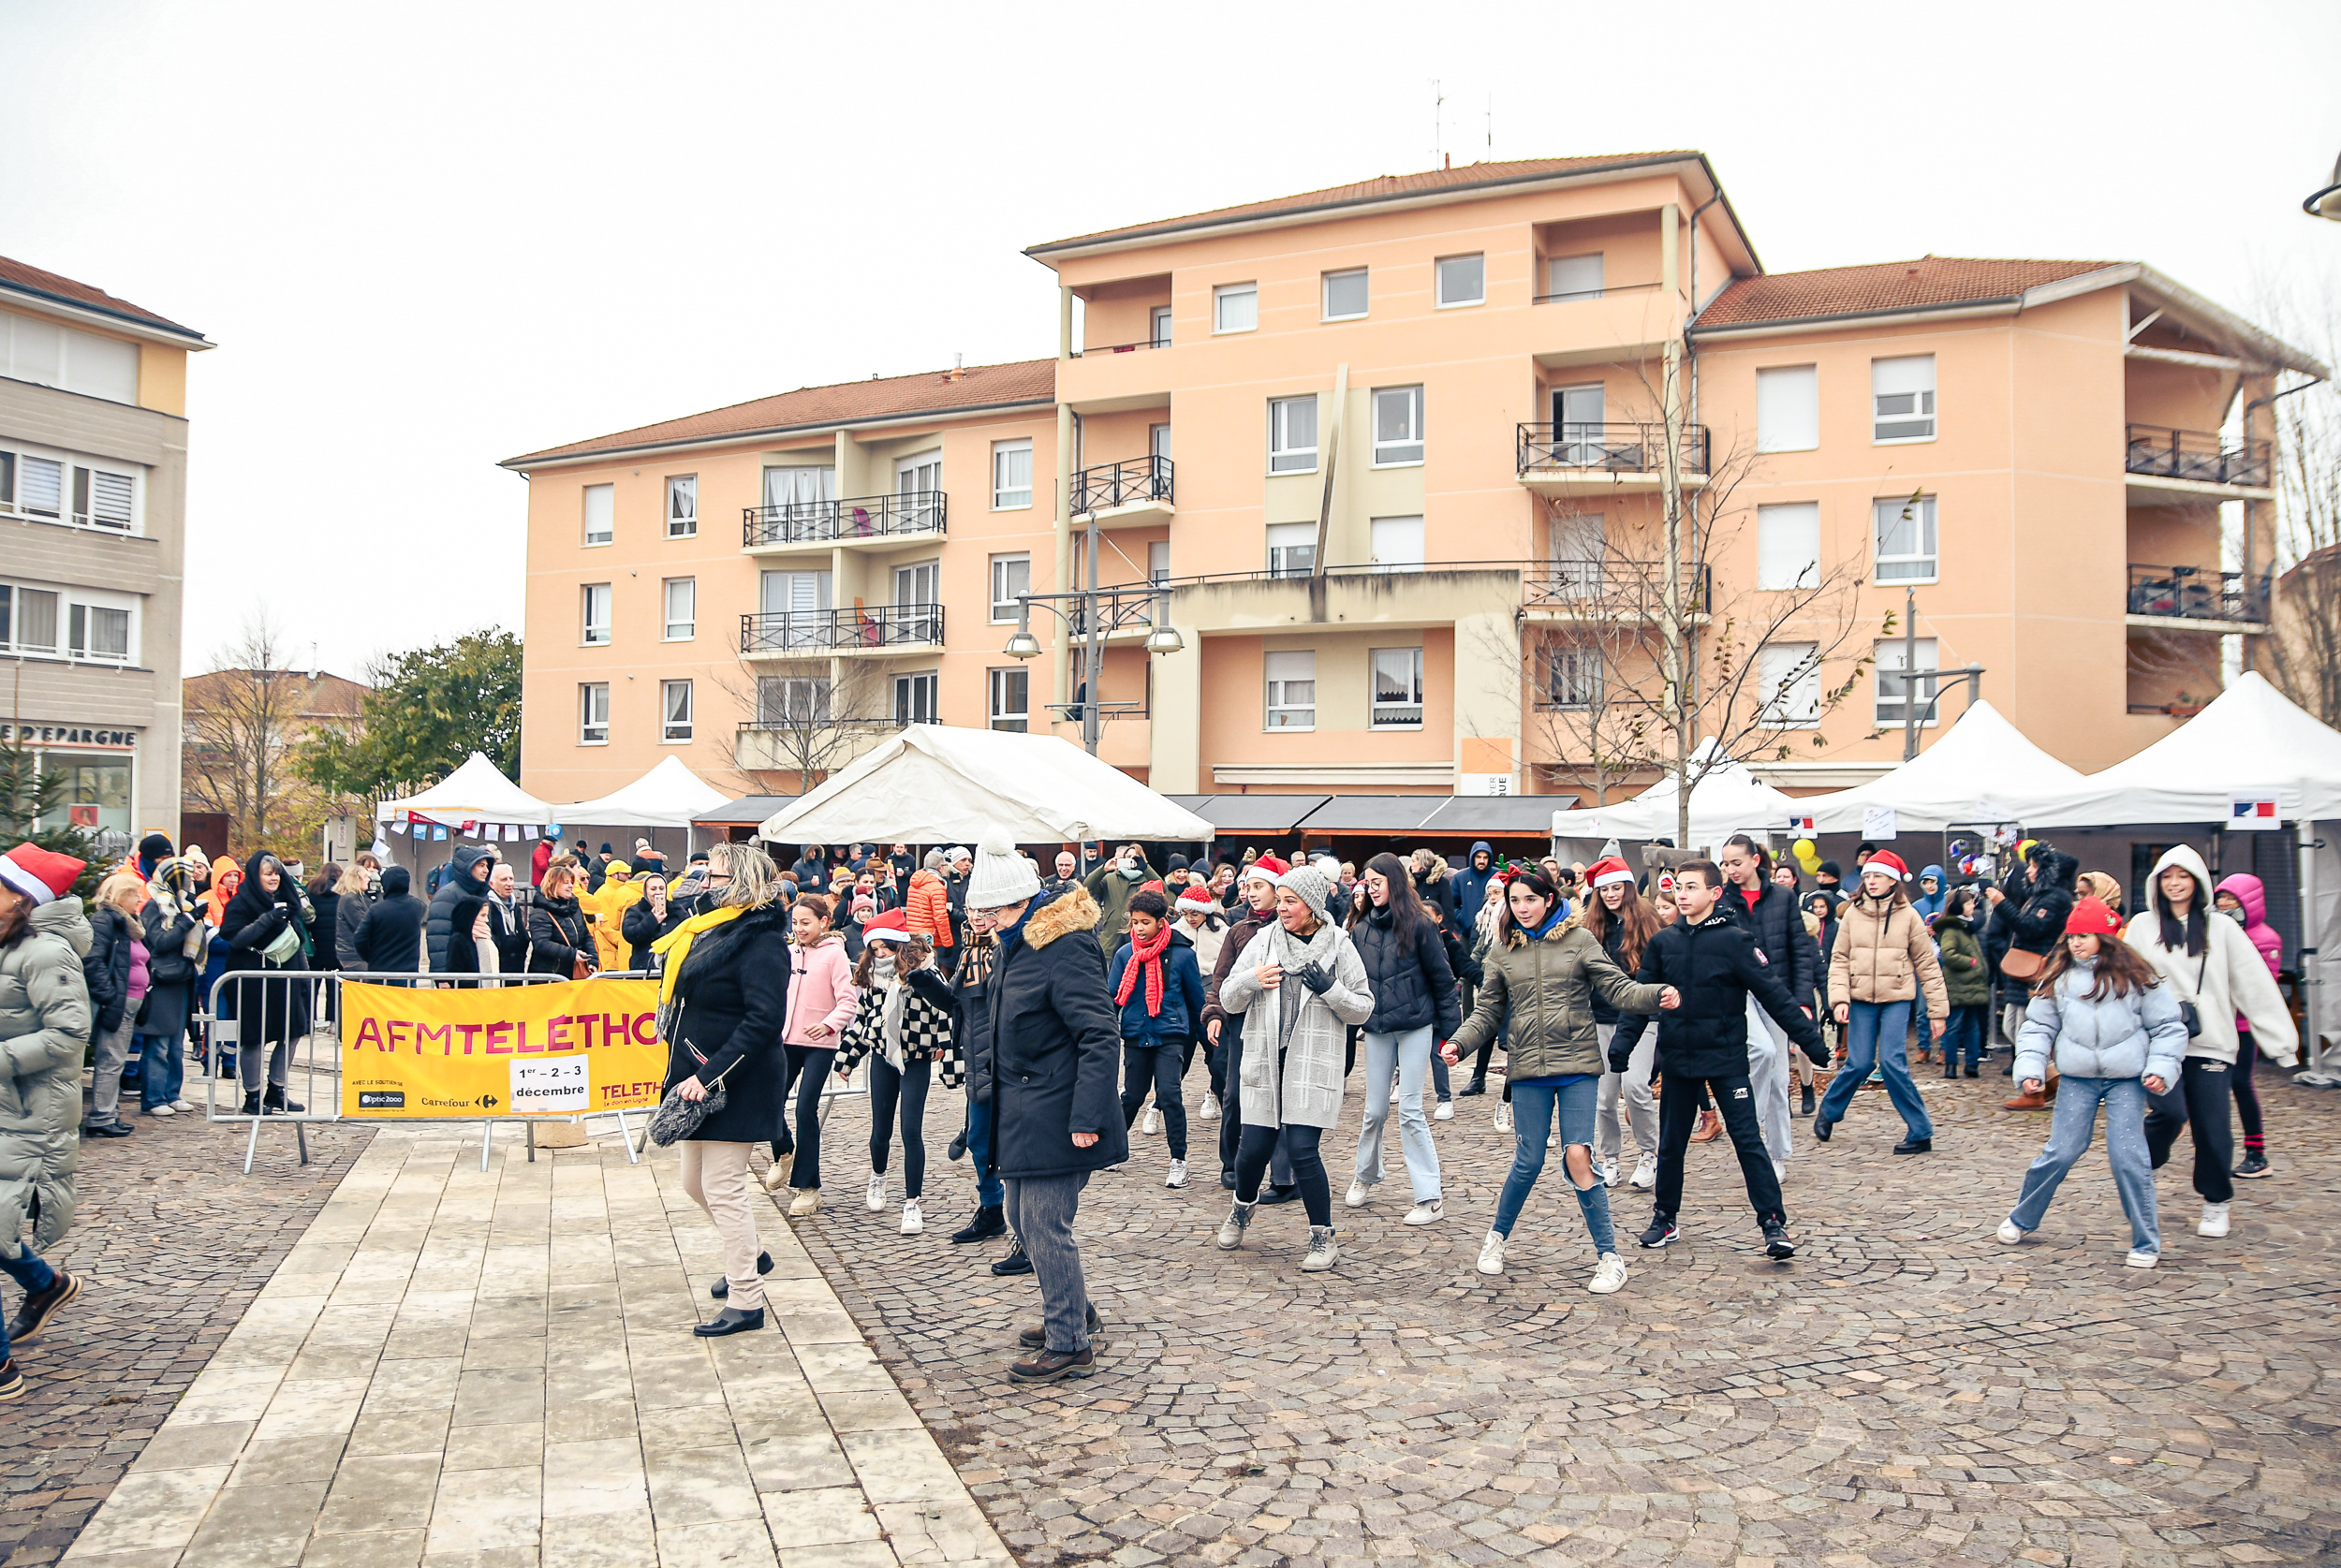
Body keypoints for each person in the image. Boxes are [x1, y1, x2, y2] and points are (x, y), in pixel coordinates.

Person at [1446, 866, 1674, 1287]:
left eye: (1530, 899)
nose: (1522, 908)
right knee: (1528, 1161)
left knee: (1578, 1156)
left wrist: (1656, 994)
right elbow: (1487, 1011)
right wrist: (1460, 1044)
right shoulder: (1503, 951)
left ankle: (1610, 1258)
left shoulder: (1579, 940)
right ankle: (1496, 1238)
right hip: (1529, 1068)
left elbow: (1619, 988)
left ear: (1548, 899)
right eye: (1515, 901)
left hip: (1577, 1068)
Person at [963, 830, 1123, 1383]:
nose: (978, 920)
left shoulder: (1062, 945)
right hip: (1023, 1111)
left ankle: (1070, 1342)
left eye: (985, 910)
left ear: (1014, 904)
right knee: (1019, 1221)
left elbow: (1100, 1036)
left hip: (1060, 1110)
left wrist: (1087, 1118)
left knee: (1045, 1224)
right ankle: (1073, 1308)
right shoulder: (1015, 943)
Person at [1608, 860, 1829, 1259]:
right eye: (1679, 887)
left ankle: (1772, 1224)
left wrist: (1811, 1044)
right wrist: (1622, 1048)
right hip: (1679, 1060)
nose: (1683, 895)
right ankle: (1665, 1217)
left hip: (1727, 1060)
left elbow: (1774, 995)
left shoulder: (1735, 941)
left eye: (1692, 887)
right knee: (1671, 1145)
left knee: (1748, 1141)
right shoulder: (1664, 943)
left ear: (1714, 893)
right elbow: (1640, 999)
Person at [650, 843, 792, 1337]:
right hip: (695, 1076)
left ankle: (746, 1298)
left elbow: (763, 1021)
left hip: (737, 1080)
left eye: (712, 876)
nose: (702, 882)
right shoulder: (710, 929)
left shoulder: (762, 941)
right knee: (694, 1182)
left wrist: (710, 1073)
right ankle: (751, 1253)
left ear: (741, 883)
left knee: (723, 1186)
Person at [1998, 898, 2185, 1268]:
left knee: (2128, 1156)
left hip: (2126, 1080)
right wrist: (2032, 1068)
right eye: (2071, 937)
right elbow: (2038, 1027)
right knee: (2061, 1151)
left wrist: (2161, 1069)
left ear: (2105, 936)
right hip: (2077, 1079)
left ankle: (2146, 1242)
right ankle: (2022, 1217)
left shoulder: (2138, 977)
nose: (2076, 943)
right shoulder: (2059, 978)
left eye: (2084, 935)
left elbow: (2167, 1027)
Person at [2124, 847, 2296, 1240]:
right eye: (2167, 876)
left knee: (2213, 1127)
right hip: (2158, 1043)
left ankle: (2216, 1200)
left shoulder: (2222, 929)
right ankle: (2136, 1170)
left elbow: (2254, 986)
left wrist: (2281, 1043)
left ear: (2198, 881)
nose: (2175, 884)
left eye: (2183, 876)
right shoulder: (2142, 926)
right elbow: (2124, 982)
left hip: (2211, 1042)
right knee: (2168, 1114)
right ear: (2156, 882)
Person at [1215, 864, 1375, 1274]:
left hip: (1311, 1064)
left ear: (1313, 905)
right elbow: (1229, 998)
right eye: (1280, 900)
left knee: (1303, 1150)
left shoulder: (1339, 944)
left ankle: (1323, 1236)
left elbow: (1363, 1008)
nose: (1281, 908)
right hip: (1265, 1059)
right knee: (1252, 1152)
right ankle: (1241, 1210)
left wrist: (1330, 989)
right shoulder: (1263, 941)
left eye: (1290, 901)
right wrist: (1252, 979)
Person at [0, 842, 94, 1403]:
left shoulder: (45, 953)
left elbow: (69, 1031)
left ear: (20, 898)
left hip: (30, 1110)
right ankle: (46, 1284)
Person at [1341, 854, 1458, 1224]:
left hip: (1415, 1024)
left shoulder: (1421, 924)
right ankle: (1366, 1175)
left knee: (1410, 1110)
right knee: (1374, 1110)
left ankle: (1429, 1196)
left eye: (1377, 881)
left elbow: (1443, 978)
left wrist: (1450, 1034)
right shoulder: (1360, 928)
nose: (1371, 888)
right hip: (1376, 1026)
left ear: (1394, 881)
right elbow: (1351, 982)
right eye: (1367, 882)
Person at [1817, 851, 1948, 1153]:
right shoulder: (1851, 913)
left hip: (1897, 998)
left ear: (1893, 880)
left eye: (1878, 875)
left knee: (1891, 1062)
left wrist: (1938, 1012)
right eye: (1868, 876)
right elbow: (1838, 959)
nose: (1871, 881)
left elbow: (1927, 964)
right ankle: (1830, 1110)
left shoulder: (1909, 915)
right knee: (1859, 1062)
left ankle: (1920, 1130)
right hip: (1860, 997)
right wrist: (1839, 998)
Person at [837, 912, 954, 1235]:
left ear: (899, 944)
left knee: (911, 1130)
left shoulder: (925, 973)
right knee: (881, 1129)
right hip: (882, 1057)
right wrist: (847, 1058)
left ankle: (912, 1203)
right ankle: (878, 1177)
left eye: (885, 947)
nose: (881, 954)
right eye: (874, 949)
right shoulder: (873, 977)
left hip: (916, 1057)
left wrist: (945, 1050)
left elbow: (945, 1011)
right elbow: (864, 1021)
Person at [1715, 833, 1818, 1177]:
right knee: (1762, 1051)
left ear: (1755, 861)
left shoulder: (1784, 898)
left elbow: (1801, 951)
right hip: (1737, 992)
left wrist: (1803, 1000)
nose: (1731, 870)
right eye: (1726, 863)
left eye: (1736, 863)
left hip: (1777, 991)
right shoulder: (1722, 900)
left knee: (1777, 1079)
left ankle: (1775, 1153)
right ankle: (1747, 1124)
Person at [1200, 857, 1294, 1196]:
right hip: (1242, 1025)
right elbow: (1222, 977)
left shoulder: (1294, 929)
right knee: (1236, 1094)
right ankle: (1232, 1162)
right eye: (1248, 887)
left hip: (1282, 1026)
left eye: (1259, 886)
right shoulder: (1239, 928)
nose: (1251, 894)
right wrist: (1214, 1013)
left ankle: (1283, 1176)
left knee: (1283, 1098)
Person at [1108, 889, 1206, 1189]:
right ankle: (1114, 1149)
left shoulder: (1183, 955)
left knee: (1170, 1095)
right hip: (1137, 1034)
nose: (1138, 927)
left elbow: (1196, 1001)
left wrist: (1208, 1039)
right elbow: (1112, 998)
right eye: (1134, 921)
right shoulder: (1125, 954)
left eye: (1145, 922)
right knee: (1132, 1096)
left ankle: (1179, 1161)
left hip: (1170, 1033)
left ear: (1161, 922)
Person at [770, 893, 858, 1214]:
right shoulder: (788, 951)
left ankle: (808, 1187)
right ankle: (783, 1151)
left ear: (824, 922)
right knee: (770, 1100)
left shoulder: (835, 954)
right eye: (794, 923)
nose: (799, 929)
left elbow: (848, 1000)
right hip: (786, 1040)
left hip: (820, 1044)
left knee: (806, 1108)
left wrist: (829, 1024)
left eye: (805, 923)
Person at [1583, 857, 1663, 1190]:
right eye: (1605, 889)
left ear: (1628, 888)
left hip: (1642, 1017)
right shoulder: (1590, 927)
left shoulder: (1647, 922)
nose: (1611, 894)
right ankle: (1610, 1158)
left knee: (1635, 1088)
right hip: (1601, 1018)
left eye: (1616, 887)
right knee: (1604, 1097)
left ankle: (1650, 1153)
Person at [219, 853, 312, 1116]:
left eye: (276, 873)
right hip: (252, 979)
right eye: (268, 873)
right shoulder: (241, 903)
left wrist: (305, 979)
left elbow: (297, 942)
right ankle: (253, 1095)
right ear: (255, 876)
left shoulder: (289, 900)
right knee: (254, 1038)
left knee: (293, 1031)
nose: (274, 878)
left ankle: (277, 1090)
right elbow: (235, 939)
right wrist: (268, 918)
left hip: (287, 978)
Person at [1988, 845, 2077, 1108]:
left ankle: (2037, 1088)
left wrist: (2001, 903)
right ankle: (2048, 1078)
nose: (2028, 871)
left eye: (2034, 866)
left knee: (2027, 1030)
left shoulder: (2056, 898)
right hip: (2021, 970)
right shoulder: (2040, 896)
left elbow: (2030, 928)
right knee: (2011, 1028)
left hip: (2035, 971)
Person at [2214, 873, 2283, 1179]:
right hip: (2217, 1020)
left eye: (2231, 898)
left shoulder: (2265, 938)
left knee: (2240, 1083)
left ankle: (2257, 1153)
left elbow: (2259, 988)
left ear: (2248, 901)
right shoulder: (2217, 931)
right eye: (2221, 897)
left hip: (2241, 1025)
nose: (2224, 903)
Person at [79, 872, 145, 1137]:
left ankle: (109, 1112)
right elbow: (93, 961)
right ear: (122, 895)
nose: (140, 899)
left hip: (128, 1000)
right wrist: (108, 996)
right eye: (135, 894)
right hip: (116, 1000)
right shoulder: (106, 921)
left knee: (115, 1059)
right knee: (110, 1059)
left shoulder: (128, 923)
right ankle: (101, 1116)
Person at [136, 858, 201, 1116]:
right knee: (159, 1043)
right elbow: (160, 941)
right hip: (162, 980)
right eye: (185, 878)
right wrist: (187, 921)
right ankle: (153, 1097)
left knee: (176, 1043)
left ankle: (172, 1093)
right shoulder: (154, 907)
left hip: (182, 978)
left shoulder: (183, 905)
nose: (189, 883)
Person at [1935, 887, 1991, 1078]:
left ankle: (1972, 1064)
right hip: (1958, 986)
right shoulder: (1952, 928)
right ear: (1958, 906)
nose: (1972, 906)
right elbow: (1949, 955)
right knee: (1955, 1026)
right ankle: (1951, 1064)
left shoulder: (1966, 927)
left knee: (1972, 1027)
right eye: (1968, 903)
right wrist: (1971, 962)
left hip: (1971, 986)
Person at [425, 846, 496, 975]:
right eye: (481, 865)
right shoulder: (447, 895)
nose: (486, 870)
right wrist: (442, 976)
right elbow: (439, 939)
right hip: (456, 974)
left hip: (480, 969)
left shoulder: (483, 894)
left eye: (487, 866)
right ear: (467, 867)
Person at [526, 857, 596, 976]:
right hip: (551, 975)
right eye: (566, 883)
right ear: (553, 885)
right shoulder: (540, 913)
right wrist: (572, 954)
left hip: (574, 973)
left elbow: (585, 936)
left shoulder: (574, 908)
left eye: (571, 882)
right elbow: (542, 943)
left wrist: (593, 959)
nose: (570, 886)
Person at [354, 866, 428, 975]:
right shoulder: (418, 906)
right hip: (408, 972)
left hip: (380, 970)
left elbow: (359, 939)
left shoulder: (376, 910)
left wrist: (370, 957)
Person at [332, 862, 376, 972]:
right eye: (365, 876)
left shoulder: (358, 897)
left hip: (355, 952)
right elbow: (362, 924)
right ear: (356, 879)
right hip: (353, 953)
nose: (368, 880)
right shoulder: (350, 899)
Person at [1449, 841, 1496, 929]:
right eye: (1478, 857)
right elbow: (1451, 904)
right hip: (1467, 931)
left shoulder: (1497, 875)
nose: (1482, 861)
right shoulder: (1460, 878)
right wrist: (1461, 917)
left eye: (1485, 857)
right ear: (1472, 857)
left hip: (1494, 931)